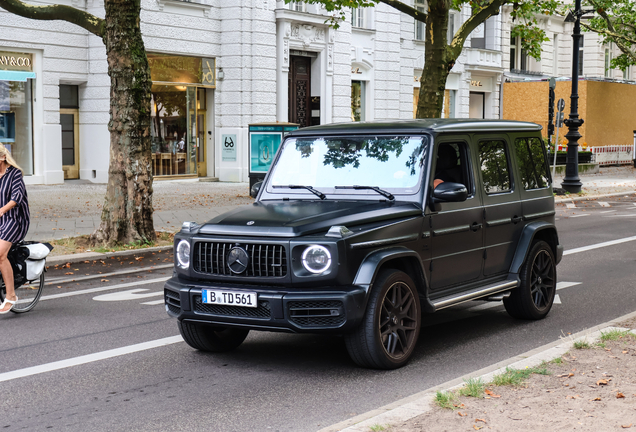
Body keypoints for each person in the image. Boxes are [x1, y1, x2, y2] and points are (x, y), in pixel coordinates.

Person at [0, 145, 30, 314]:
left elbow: (16, 197)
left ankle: (11, 296)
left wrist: (2, 210)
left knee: (1, 254)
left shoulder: (15, 174)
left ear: (2, 157)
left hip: (14, 219)